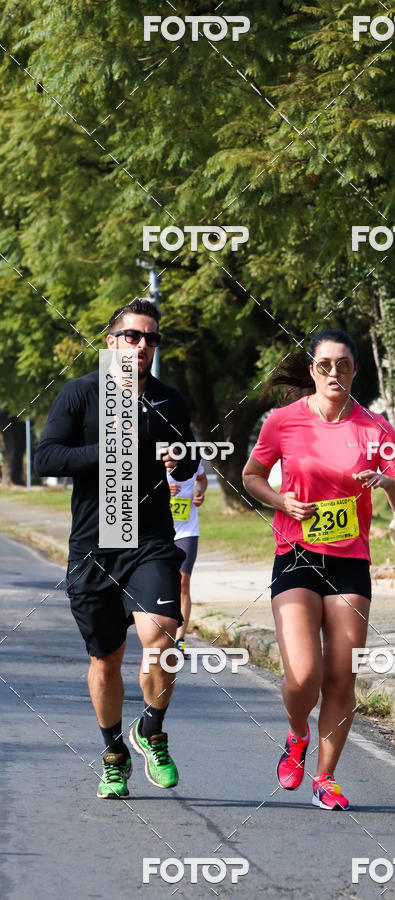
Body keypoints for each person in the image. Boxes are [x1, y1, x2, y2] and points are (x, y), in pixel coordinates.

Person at [242, 329, 395, 810]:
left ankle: (326, 776)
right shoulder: (283, 422)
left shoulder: (376, 430)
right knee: (304, 674)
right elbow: (250, 476)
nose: (334, 373)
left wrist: (386, 482)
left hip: (349, 563)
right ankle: (296, 735)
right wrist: (282, 502)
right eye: (324, 365)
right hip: (295, 554)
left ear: (355, 370)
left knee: (342, 676)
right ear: (313, 370)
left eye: (343, 364)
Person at [34, 298, 199, 799]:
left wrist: (181, 459)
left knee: (162, 636)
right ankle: (112, 753)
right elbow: (47, 456)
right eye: (133, 336)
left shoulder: (169, 401)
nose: (143, 345)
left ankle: (152, 727)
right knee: (106, 659)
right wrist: (109, 449)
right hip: (95, 545)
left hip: (149, 540)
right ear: (111, 341)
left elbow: (190, 462)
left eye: (151, 338)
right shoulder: (80, 394)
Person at [168, 462, 208, 652]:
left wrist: (200, 492)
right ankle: (159, 632)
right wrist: (160, 490)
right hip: (159, 530)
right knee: (161, 582)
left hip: (187, 530)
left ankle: (179, 639)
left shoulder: (192, 458)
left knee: (183, 582)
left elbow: (201, 479)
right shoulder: (152, 454)